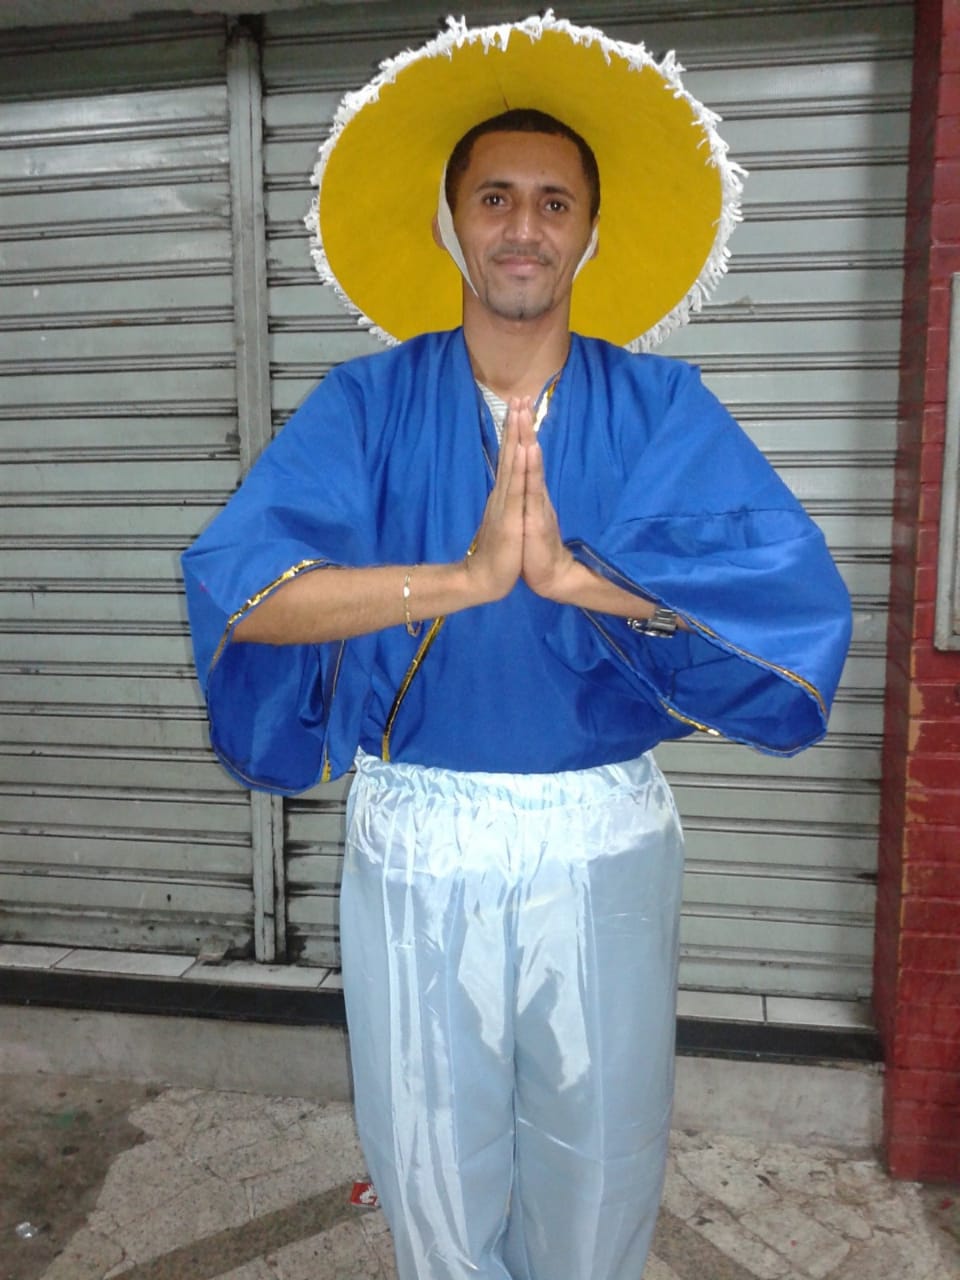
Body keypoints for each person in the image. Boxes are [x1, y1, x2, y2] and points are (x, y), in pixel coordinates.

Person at [181, 14, 852, 1280]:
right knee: (431, 1168)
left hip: (602, 835)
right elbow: (244, 589)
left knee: (600, 1167)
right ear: (451, 225)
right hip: (419, 835)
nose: (523, 227)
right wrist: (466, 579)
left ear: (590, 232)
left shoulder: (661, 406)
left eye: (554, 201)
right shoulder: (366, 403)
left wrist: (579, 582)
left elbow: (791, 598)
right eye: (494, 197)